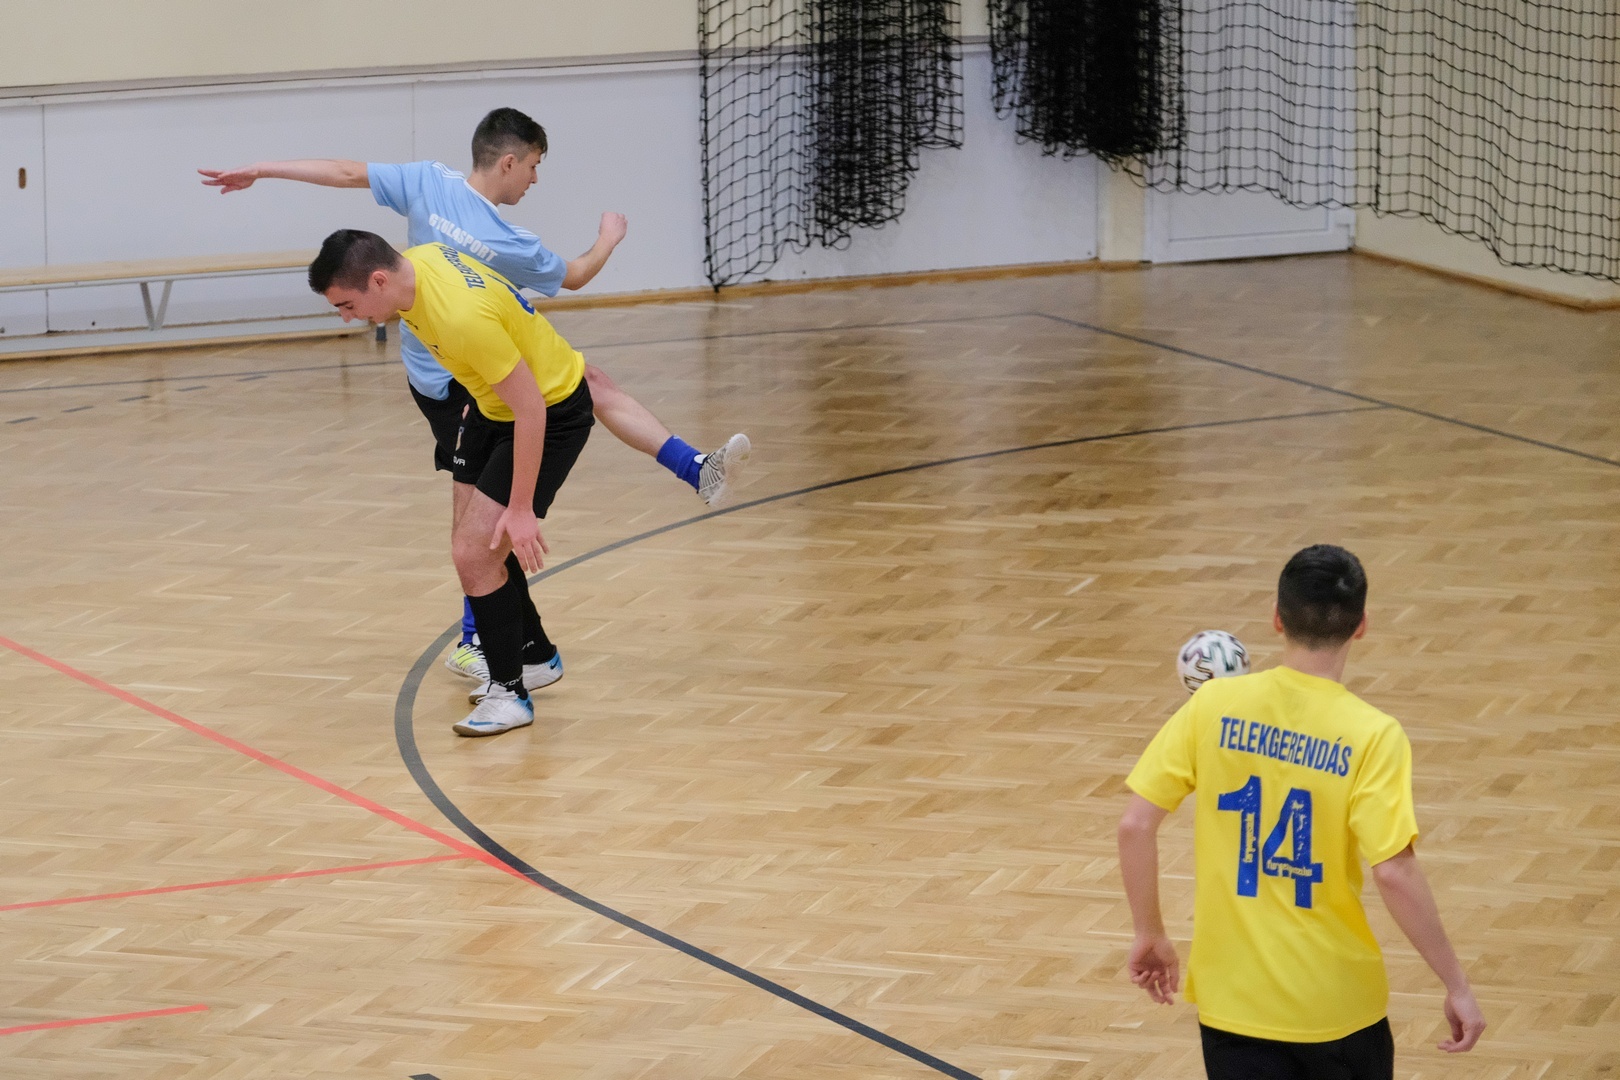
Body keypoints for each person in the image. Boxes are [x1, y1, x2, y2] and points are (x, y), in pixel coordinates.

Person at [202, 108, 749, 693]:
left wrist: (263, 168)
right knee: (478, 523)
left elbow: (343, 171)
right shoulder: (514, 244)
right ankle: (477, 639)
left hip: (478, 365)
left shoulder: (429, 182)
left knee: (584, 387)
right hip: (456, 383)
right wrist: (609, 238)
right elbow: (578, 275)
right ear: (509, 161)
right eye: (533, 166)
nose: (534, 179)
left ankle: (694, 469)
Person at [1118, 544, 1485, 1079]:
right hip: (1336, 1008)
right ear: (1361, 625)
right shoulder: (1373, 735)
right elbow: (1393, 873)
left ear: (1276, 617)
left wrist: (1149, 932)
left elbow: (1135, 825)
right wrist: (1457, 984)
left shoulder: (1211, 706)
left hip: (1232, 1001)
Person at [311, 229, 607, 736]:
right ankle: (534, 655)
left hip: (548, 412)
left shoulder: (459, 316)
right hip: (490, 405)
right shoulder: (419, 266)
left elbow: (532, 408)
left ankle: (509, 695)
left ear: (378, 280)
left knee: (474, 552)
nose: (346, 317)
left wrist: (520, 509)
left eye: (346, 305)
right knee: (473, 543)